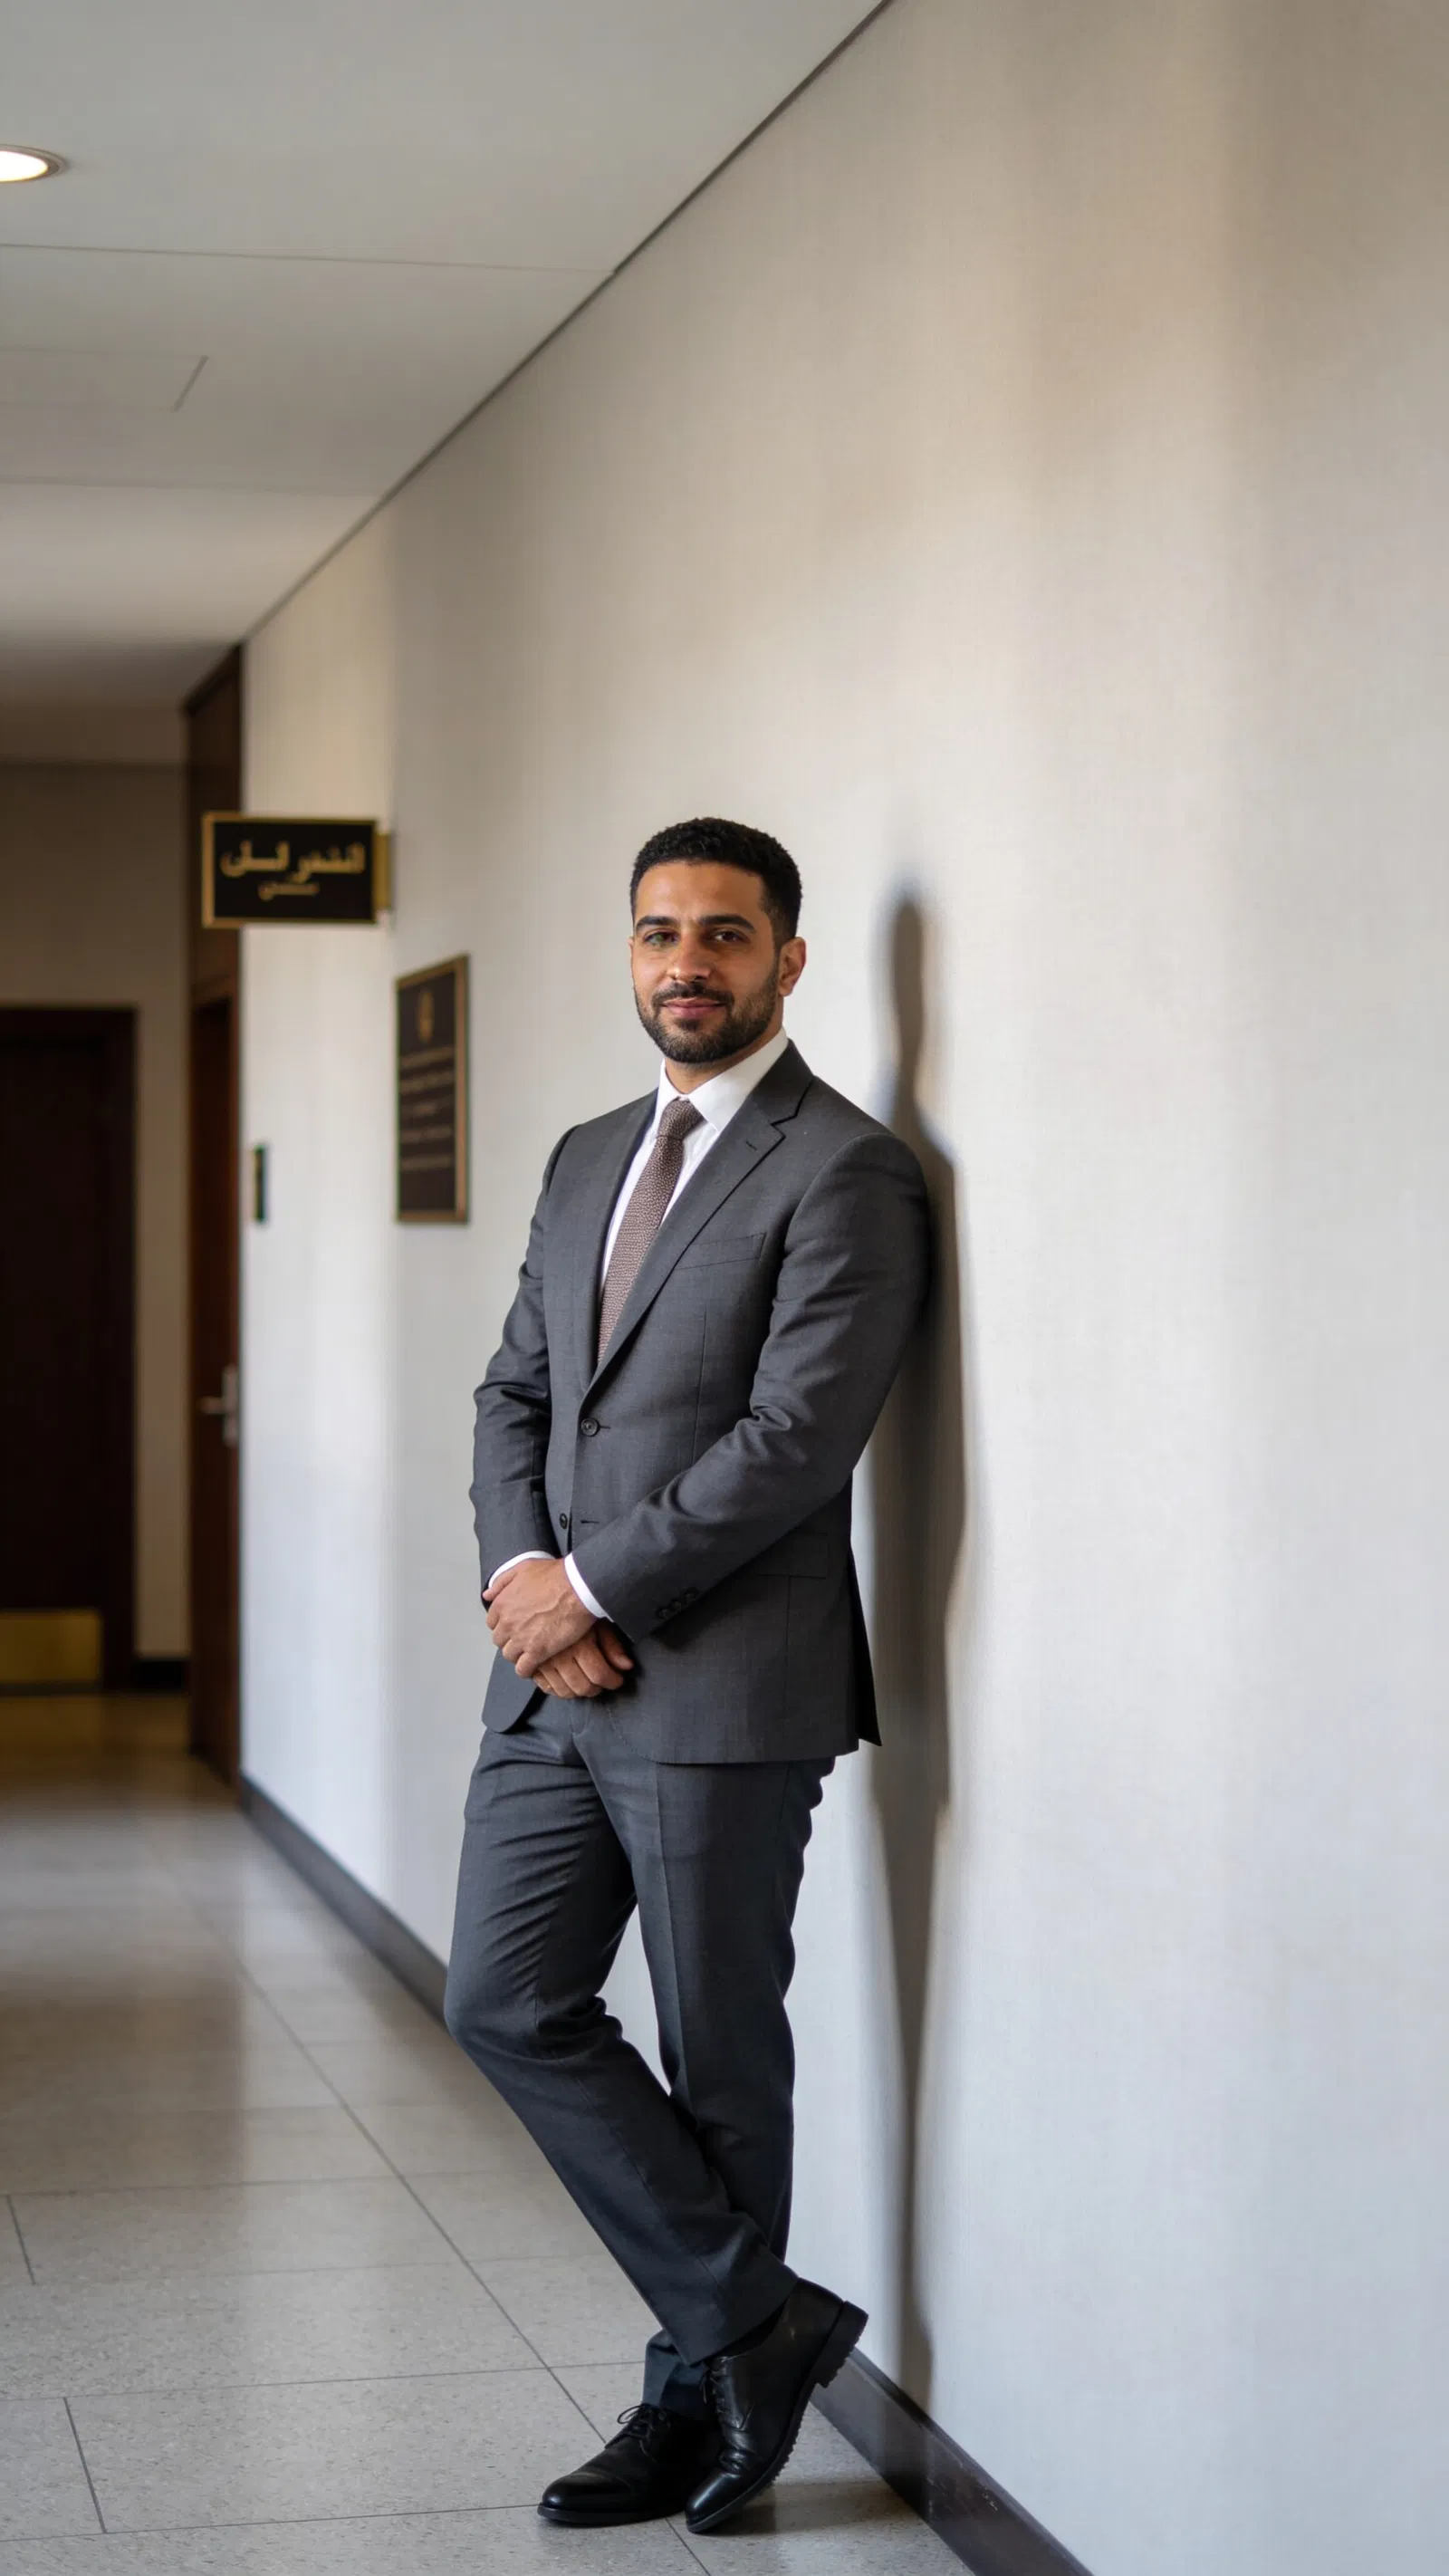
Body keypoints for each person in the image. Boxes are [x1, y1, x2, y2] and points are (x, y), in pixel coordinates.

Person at [444, 816, 929, 2533]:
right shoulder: (589, 1154)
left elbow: (798, 1443)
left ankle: (689, 2399)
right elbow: (518, 1390)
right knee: (502, 2000)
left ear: (788, 962)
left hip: (725, 1684)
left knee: (723, 2055)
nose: (686, 967)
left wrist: (583, 1581)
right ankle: (755, 2326)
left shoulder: (846, 1168)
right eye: (660, 934)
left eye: (724, 937)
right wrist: (521, 1579)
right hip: (550, 1683)